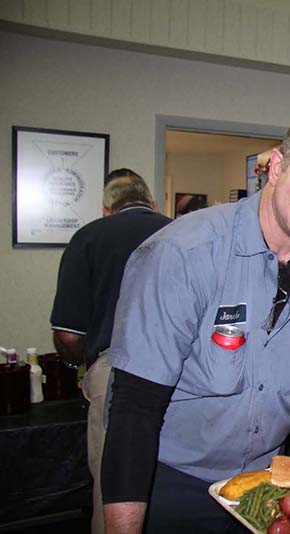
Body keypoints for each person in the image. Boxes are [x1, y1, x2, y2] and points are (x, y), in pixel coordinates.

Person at [100, 113, 290, 533]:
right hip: (169, 482)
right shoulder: (183, 254)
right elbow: (135, 407)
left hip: (265, 486)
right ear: (277, 167)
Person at [50, 169, 171, 534]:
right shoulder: (180, 231)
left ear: (107, 209)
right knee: (171, 483)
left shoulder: (88, 237)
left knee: (116, 486)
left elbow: (69, 335)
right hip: (182, 373)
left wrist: (78, 365)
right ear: (151, 203)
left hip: (115, 371)